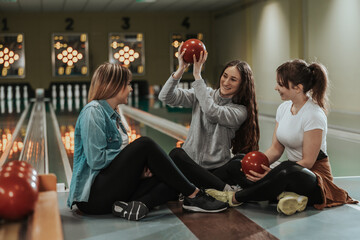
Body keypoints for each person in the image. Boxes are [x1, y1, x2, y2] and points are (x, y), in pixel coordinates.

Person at [67, 62, 228, 221]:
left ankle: (138, 205)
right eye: (128, 84)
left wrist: (137, 171)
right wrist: (136, 169)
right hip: (93, 198)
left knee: (173, 172)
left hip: (112, 192)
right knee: (144, 144)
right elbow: (97, 161)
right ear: (114, 85)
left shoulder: (115, 114)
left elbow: (118, 164)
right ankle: (195, 196)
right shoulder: (93, 112)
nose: (131, 89)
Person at [206, 59, 358, 214]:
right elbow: (275, 149)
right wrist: (258, 167)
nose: (276, 87)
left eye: (280, 84)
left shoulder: (314, 115)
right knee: (239, 161)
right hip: (288, 173)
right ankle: (200, 189)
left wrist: (272, 175)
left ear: (297, 88)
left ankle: (235, 198)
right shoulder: (283, 108)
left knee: (287, 168)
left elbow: (308, 161)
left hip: (314, 179)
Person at [158, 43, 259, 193]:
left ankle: (212, 190)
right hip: (191, 165)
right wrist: (180, 70)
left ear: (242, 85)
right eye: (225, 76)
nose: (226, 82)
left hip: (215, 169)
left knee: (238, 162)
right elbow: (165, 96)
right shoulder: (203, 93)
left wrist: (198, 76)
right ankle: (224, 191)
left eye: (233, 79)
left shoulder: (240, 111)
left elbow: (212, 112)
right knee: (177, 155)